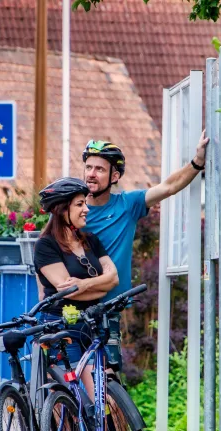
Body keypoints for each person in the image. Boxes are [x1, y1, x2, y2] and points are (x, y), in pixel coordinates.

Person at [79, 135, 209, 367]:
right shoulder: (73, 209)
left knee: (108, 378)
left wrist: (197, 162)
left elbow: (168, 187)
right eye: (88, 167)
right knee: (64, 377)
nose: (91, 173)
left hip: (107, 306)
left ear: (114, 176)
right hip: (72, 303)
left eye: (99, 169)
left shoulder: (128, 205)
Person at [33, 177, 118, 401]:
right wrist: (98, 285)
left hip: (92, 323)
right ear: (62, 210)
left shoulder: (91, 240)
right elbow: (67, 291)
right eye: (80, 204)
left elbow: (113, 279)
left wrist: (84, 284)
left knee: (104, 397)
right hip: (62, 325)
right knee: (71, 397)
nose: (86, 209)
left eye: (85, 203)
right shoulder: (46, 245)